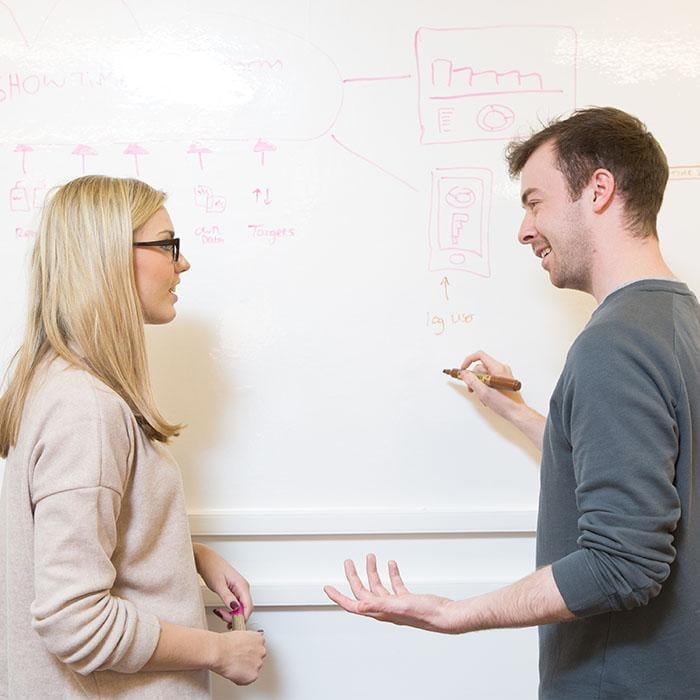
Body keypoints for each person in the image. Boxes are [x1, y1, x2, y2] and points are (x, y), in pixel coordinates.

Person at [325, 107, 700, 699]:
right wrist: (520, 414)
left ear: (598, 190)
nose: (525, 229)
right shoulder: (680, 322)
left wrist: (455, 613)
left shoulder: (614, 344)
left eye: (534, 202)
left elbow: (623, 564)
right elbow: (643, 468)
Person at [0, 176, 266, 698]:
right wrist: (218, 650)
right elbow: (72, 621)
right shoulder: (86, 409)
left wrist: (187, 554)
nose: (181, 263)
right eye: (167, 245)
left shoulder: (61, 385)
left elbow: (80, 538)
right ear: (109, 258)